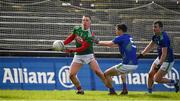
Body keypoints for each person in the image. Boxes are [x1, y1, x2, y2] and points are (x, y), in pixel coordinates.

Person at [62, 15, 112, 95]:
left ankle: (111, 88)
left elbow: (83, 48)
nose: (84, 22)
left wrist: (71, 50)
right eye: (83, 20)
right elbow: (71, 37)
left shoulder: (90, 35)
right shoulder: (76, 28)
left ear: (90, 23)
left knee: (98, 72)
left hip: (88, 55)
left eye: (87, 20)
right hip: (78, 56)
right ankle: (80, 90)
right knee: (71, 75)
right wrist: (62, 44)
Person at [138, 21, 180, 94]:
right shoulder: (155, 36)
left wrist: (159, 65)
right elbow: (150, 45)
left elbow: (164, 54)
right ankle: (149, 93)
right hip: (160, 58)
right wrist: (142, 54)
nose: (153, 28)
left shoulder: (164, 38)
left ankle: (175, 82)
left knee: (157, 79)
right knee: (150, 74)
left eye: (155, 27)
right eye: (153, 27)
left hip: (167, 61)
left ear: (160, 28)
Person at [97, 24, 138, 95]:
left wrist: (98, 42)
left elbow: (110, 43)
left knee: (106, 73)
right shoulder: (128, 37)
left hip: (127, 64)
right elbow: (114, 45)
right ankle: (125, 90)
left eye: (116, 29)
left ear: (120, 30)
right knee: (123, 73)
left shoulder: (120, 37)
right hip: (135, 64)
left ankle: (112, 91)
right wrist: (103, 44)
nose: (115, 31)